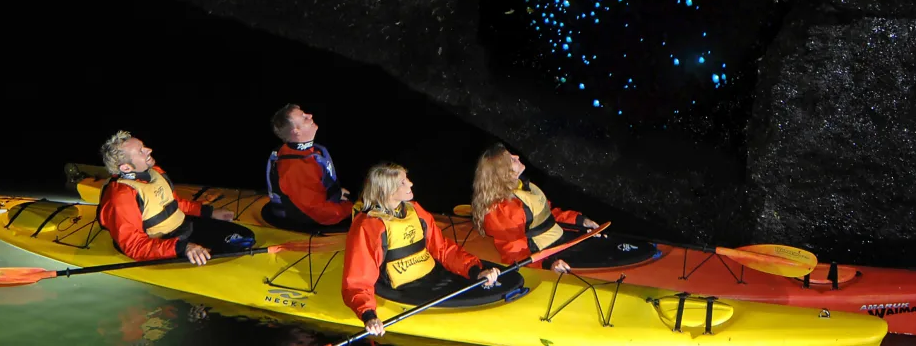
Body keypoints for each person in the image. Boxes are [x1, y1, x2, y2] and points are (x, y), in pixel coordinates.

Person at [342, 162, 521, 338]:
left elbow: (443, 249)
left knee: (477, 281)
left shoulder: (415, 210)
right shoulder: (368, 226)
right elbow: (358, 279)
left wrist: (474, 270)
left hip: (431, 274)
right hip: (403, 288)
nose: (411, 184)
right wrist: (368, 315)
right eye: (403, 182)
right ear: (387, 190)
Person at [470, 142, 657, 273]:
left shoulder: (523, 186)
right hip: (547, 252)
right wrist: (547, 265)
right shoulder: (502, 212)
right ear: (503, 172)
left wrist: (580, 221)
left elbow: (548, 214)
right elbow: (515, 255)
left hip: (563, 239)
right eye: (511, 159)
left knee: (617, 247)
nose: (517, 156)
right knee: (610, 257)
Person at [95, 131, 251, 266]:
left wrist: (207, 212)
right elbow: (134, 246)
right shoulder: (121, 197)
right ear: (126, 168)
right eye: (141, 151)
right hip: (159, 244)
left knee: (244, 238)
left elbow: (173, 203)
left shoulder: (154, 171)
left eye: (144, 146)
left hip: (181, 227)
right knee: (225, 251)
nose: (149, 150)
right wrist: (183, 248)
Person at [262, 104, 352, 233]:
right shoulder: (296, 167)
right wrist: (352, 208)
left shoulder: (307, 151)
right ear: (296, 132)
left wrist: (336, 193)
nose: (310, 116)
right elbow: (319, 212)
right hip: (308, 221)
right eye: (304, 118)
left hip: (321, 207)